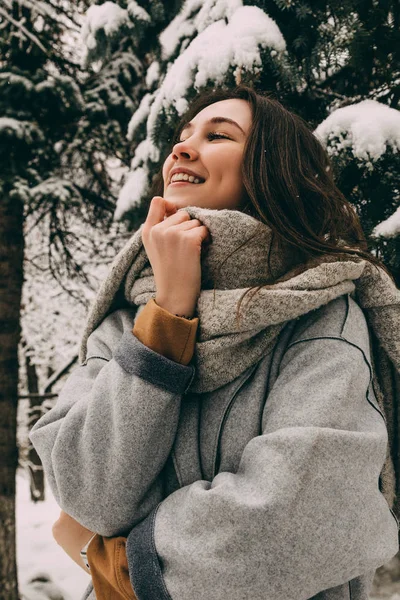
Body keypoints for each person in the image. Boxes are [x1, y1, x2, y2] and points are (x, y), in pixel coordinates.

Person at [29, 85, 400, 600]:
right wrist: (167, 316)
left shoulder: (322, 316)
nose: (181, 148)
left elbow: (302, 515)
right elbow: (89, 493)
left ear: (271, 169)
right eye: (181, 137)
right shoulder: (124, 323)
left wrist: (125, 569)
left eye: (218, 135)